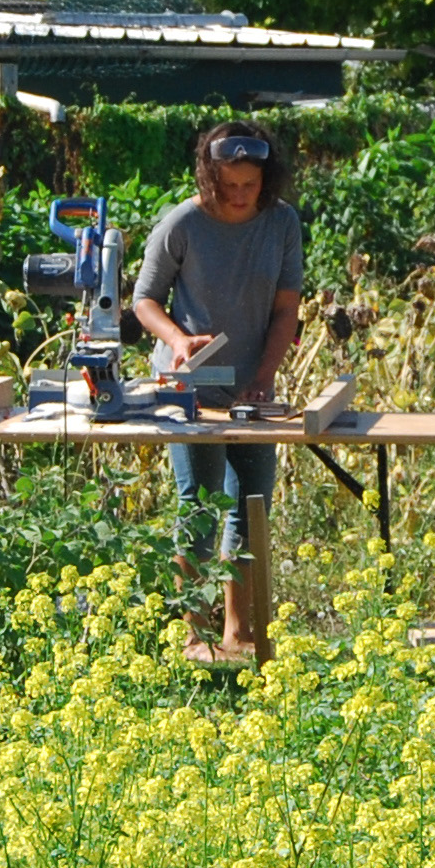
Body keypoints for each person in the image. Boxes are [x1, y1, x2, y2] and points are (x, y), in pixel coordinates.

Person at [130, 119, 308, 661]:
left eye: (249, 185)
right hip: (191, 386)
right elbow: (144, 301)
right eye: (227, 185)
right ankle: (195, 634)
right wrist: (178, 340)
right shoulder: (181, 223)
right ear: (208, 178)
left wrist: (263, 377)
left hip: (252, 391)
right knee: (200, 505)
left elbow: (286, 309)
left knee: (251, 506)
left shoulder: (282, 222)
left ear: (266, 180)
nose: (238, 194)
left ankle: (238, 631)